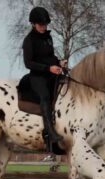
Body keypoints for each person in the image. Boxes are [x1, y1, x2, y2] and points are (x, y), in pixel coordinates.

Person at [22, 6, 66, 143]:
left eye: (45, 24)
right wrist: (48, 68)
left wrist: (59, 63)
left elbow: (49, 56)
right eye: (41, 25)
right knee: (45, 96)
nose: (44, 27)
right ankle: (49, 131)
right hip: (37, 76)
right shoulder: (29, 40)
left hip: (50, 73)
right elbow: (28, 63)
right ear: (33, 24)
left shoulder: (48, 38)